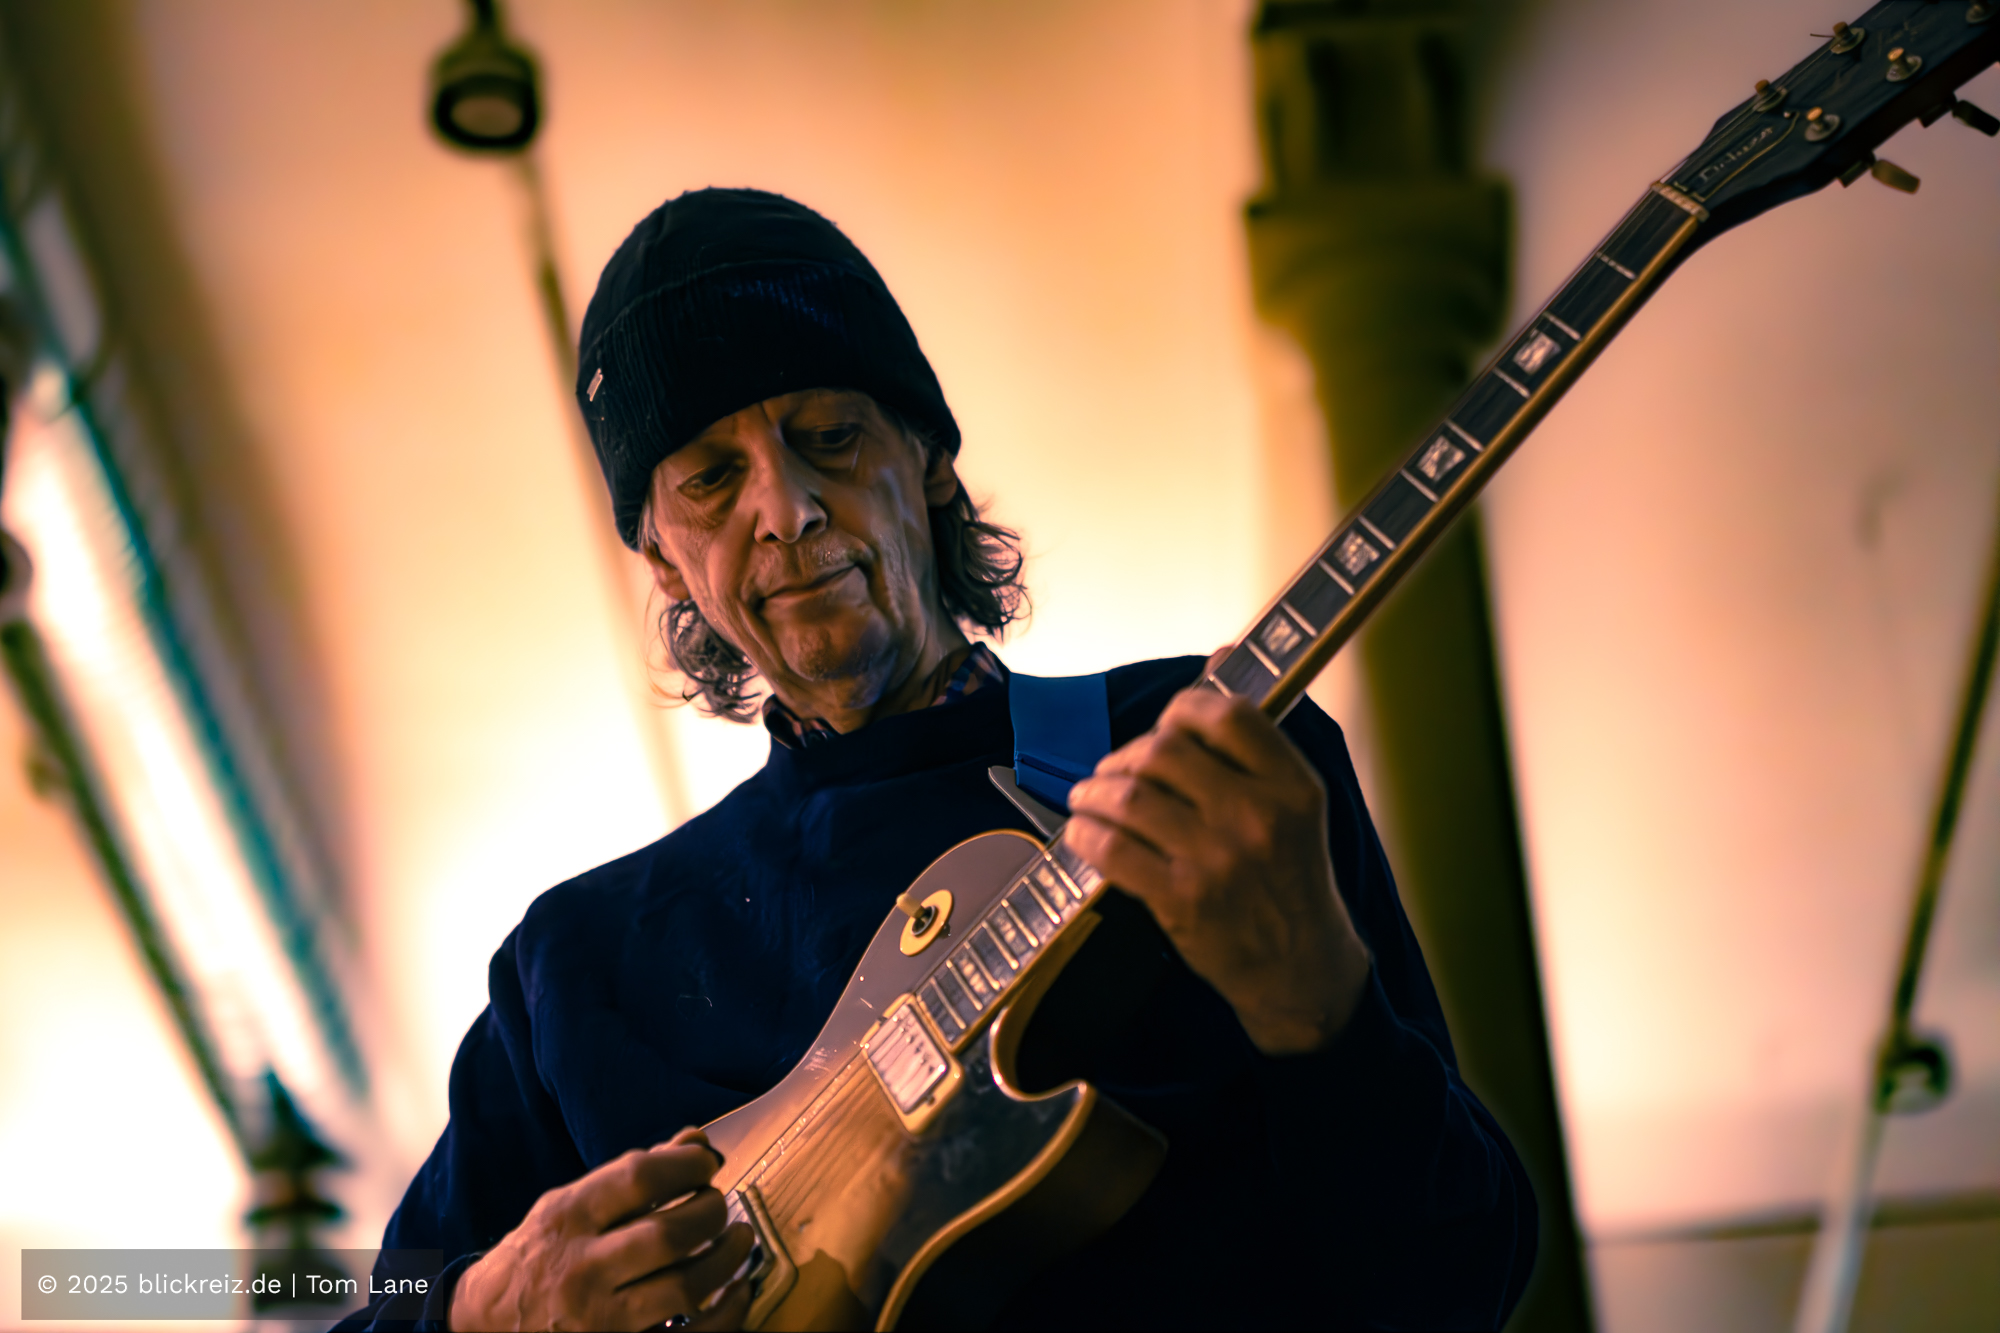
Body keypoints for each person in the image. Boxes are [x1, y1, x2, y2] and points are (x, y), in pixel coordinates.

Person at [338, 188, 1535, 1331]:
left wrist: (1317, 1004)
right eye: (710, 479)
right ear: (662, 561)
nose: (788, 507)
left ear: (927, 460)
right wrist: (476, 1306)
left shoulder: (1207, 758)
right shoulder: (573, 968)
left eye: (828, 436)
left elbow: (1460, 1283)